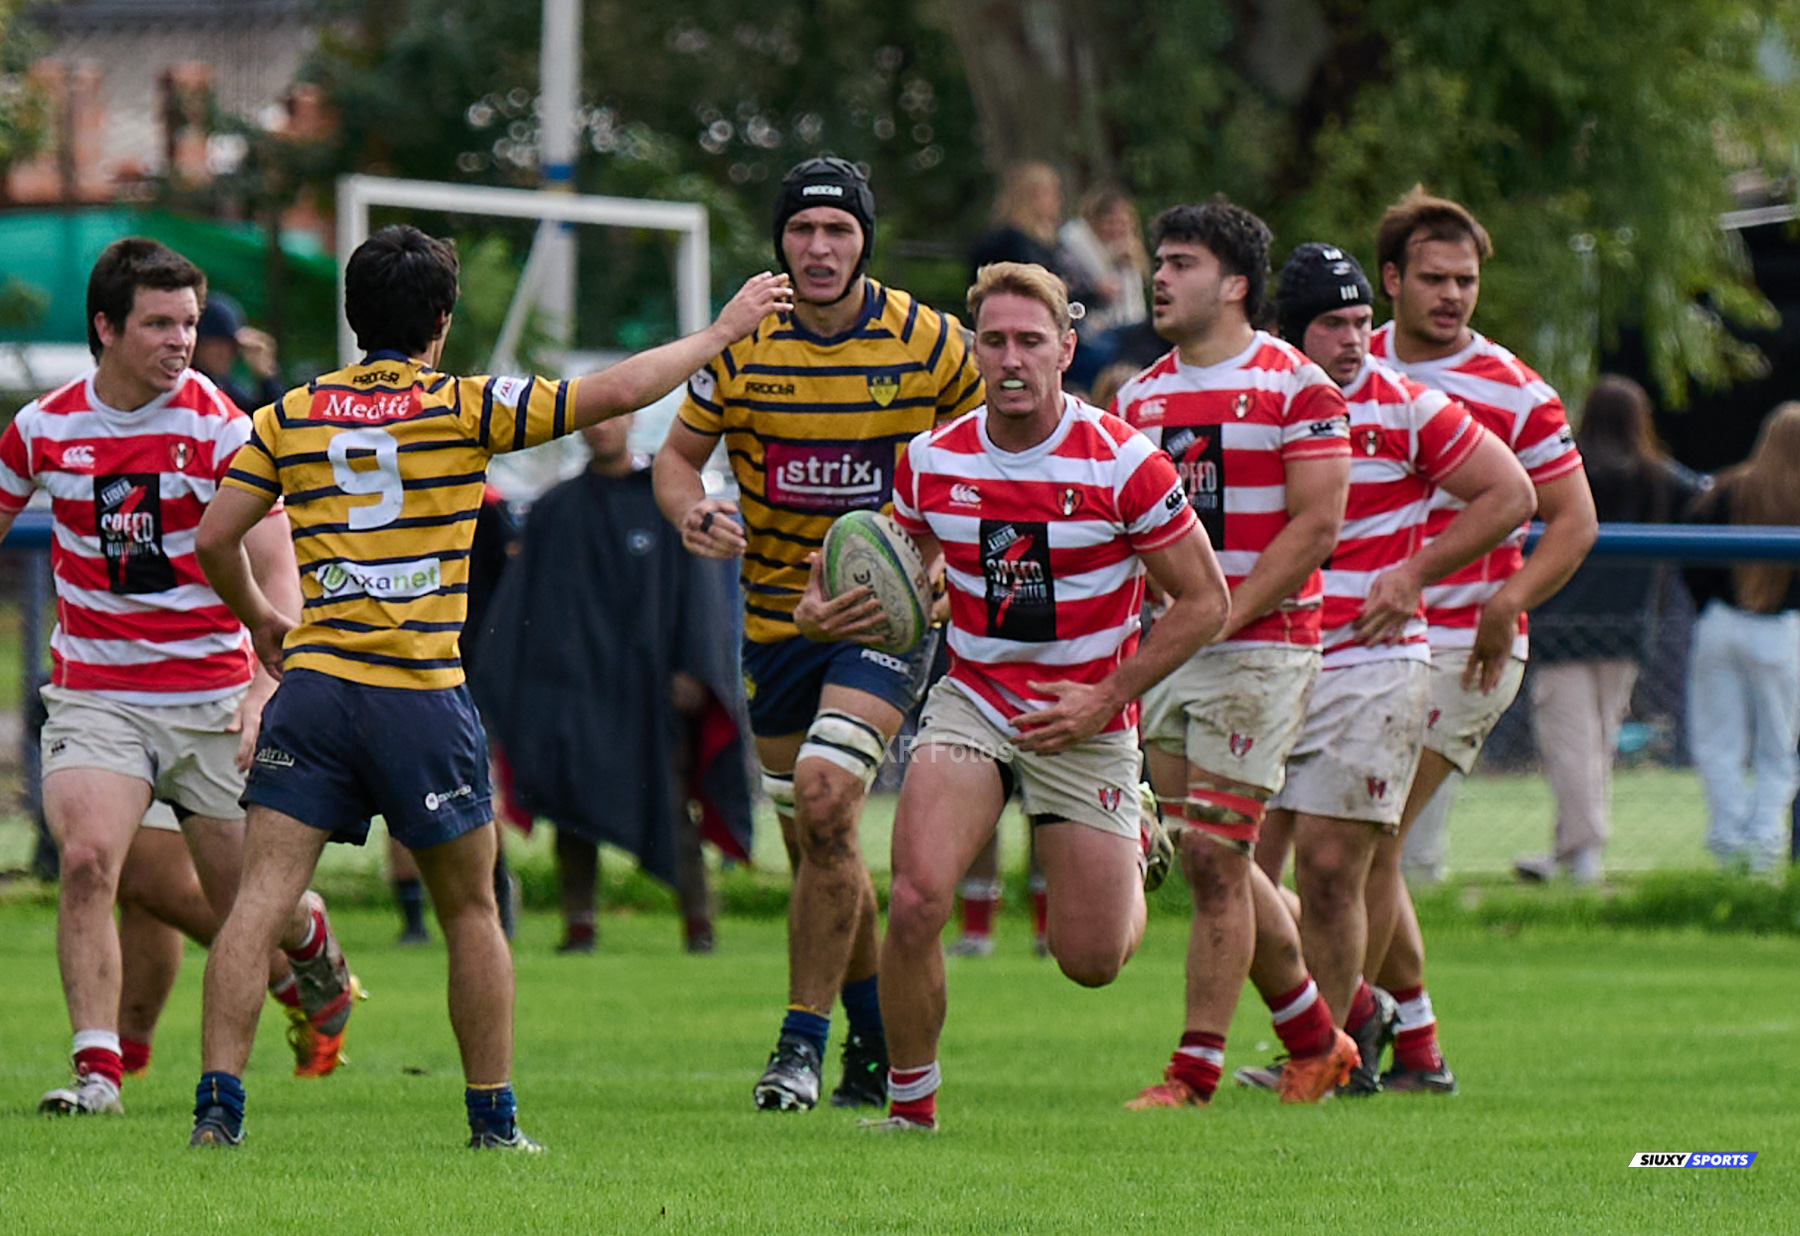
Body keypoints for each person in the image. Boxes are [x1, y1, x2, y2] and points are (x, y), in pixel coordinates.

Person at [188, 224, 788, 1149]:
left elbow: (215, 538)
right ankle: (492, 1122)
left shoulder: (287, 414)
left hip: (313, 689)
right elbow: (619, 392)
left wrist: (265, 617)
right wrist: (721, 330)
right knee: (470, 906)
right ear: (442, 319)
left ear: (354, 318)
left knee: (259, 903)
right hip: (419, 694)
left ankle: (217, 1116)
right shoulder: (466, 405)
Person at [0, 239, 361, 1118]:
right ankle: (96, 1079)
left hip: (210, 696)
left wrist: (262, 687)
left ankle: (312, 947)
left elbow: (279, 571)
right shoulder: (43, 429)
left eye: (190, 323)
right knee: (88, 864)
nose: (181, 341)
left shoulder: (224, 429)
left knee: (256, 905)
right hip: (97, 692)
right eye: (160, 323)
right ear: (106, 328)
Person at [654, 157, 984, 1113]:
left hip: (889, 621)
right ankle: (875, 1045)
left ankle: (798, 1046)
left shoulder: (929, 342)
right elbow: (677, 462)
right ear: (780, 243)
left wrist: (939, 570)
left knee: (831, 799)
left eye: (838, 231)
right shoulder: (744, 343)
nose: (820, 248)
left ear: (864, 242)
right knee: (819, 847)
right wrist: (693, 513)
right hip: (775, 623)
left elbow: (997, 463)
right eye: (802, 231)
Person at [868, 261, 1228, 1132]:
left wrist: (1105, 701)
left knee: (1091, 960)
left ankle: (1132, 836)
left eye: (1031, 341)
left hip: (1089, 712)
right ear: (974, 349)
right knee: (916, 898)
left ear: (1066, 348)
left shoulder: (1125, 463)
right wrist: (832, 601)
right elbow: (893, 567)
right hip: (977, 699)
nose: (1011, 358)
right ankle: (910, 1108)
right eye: (993, 341)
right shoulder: (930, 459)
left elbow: (1206, 602)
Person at [1232, 243, 1534, 1097]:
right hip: (1267, 656)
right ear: (1288, 331)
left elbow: (1513, 495)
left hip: (1372, 663)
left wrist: (1412, 576)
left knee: (1338, 866)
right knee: (1226, 859)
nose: (1357, 340)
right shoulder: (1250, 405)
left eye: (1364, 321)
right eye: (1334, 324)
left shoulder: (1407, 404)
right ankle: (1352, 1016)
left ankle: (1324, 1058)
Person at [1111, 198, 1357, 1110]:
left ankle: (1194, 1072)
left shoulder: (1298, 386)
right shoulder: (1140, 398)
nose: (1160, 276)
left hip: (1266, 646)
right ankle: (1316, 1037)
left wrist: (1224, 611)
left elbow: (1319, 523)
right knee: (1209, 852)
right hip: (1178, 651)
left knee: (1216, 856)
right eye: (1161, 262)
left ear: (1236, 283)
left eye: (1180, 262)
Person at [1364, 188, 1596, 1091]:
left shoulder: (1513, 389)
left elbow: (1575, 521)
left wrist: (1509, 602)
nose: (1454, 295)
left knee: (1364, 846)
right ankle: (1414, 1047)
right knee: (1357, 849)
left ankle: (1338, 1043)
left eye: (1466, 280)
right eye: (1434, 278)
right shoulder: (1345, 369)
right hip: (1359, 643)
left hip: (1467, 643)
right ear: (1391, 280)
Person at [473, 412, 753, 955]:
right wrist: (519, 686)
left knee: (671, 804)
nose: (599, 429)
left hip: (652, 687)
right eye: (590, 421)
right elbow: (522, 608)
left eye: (610, 419)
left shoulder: (667, 502)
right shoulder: (556, 509)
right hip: (574, 690)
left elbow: (700, 593)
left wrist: (696, 668)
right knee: (570, 804)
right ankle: (579, 925)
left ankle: (699, 925)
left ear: (631, 422)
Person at [1517, 376, 1706, 884]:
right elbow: (1703, 496)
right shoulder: (1659, 478)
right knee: (1596, 742)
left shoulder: (1568, 473)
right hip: (1627, 630)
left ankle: (1583, 851)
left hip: (1560, 627)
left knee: (1570, 743)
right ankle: (1570, 850)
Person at [1682, 402, 1800, 874]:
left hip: (1721, 624)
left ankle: (1729, 845)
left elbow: (1691, 562)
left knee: (1718, 744)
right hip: (1784, 630)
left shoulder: (1725, 489)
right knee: (1778, 749)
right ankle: (1765, 850)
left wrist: (1711, 605)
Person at [968, 163, 1070, 285]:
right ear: (1030, 196)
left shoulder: (1047, 239)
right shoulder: (1009, 240)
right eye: (1049, 193)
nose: (1057, 200)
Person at [191, 292, 284, 414]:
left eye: (233, 346)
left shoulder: (223, 384)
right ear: (197, 344)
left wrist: (266, 376)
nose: (227, 353)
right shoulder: (187, 384)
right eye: (218, 345)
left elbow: (268, 421)